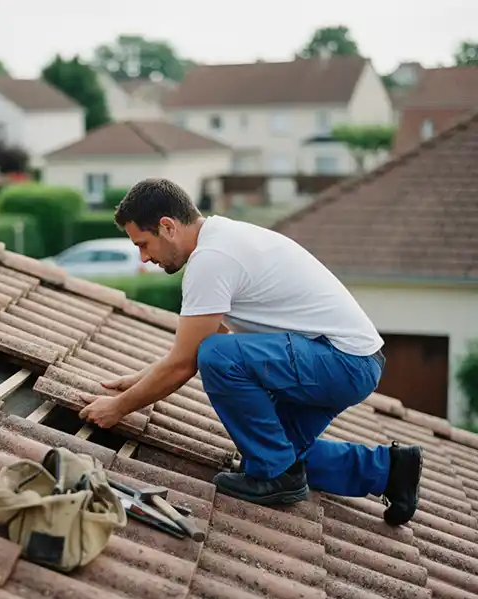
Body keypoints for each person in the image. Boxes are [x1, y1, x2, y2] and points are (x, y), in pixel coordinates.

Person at [78, 178, 423, 526]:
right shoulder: (223, 238)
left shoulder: (211, 259)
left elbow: (188, 362)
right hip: (349, 360)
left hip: (343, 361)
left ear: (167, 227)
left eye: (143, 243)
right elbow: (194, 346)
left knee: (219, 359)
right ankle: (390, 469)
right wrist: (137, 380)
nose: (143, 257)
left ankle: (275, 476)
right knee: (279, 448)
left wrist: (118, 409)